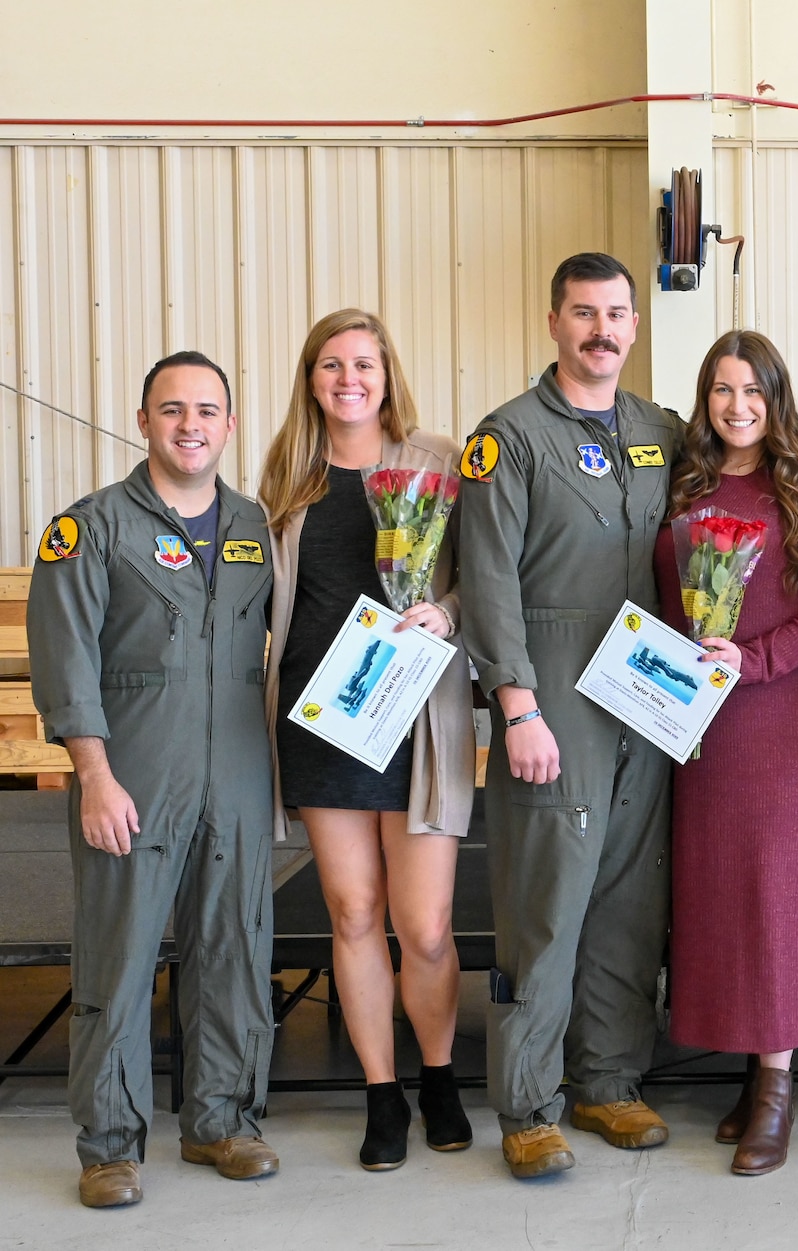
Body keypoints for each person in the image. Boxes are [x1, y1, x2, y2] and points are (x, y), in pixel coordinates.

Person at [30, 352, 279, 1208]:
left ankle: (222, 1120)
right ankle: (109, 1144)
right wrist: (94, 775)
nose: (190, 426)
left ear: (229, 425)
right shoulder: (90, 528)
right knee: (121, 955)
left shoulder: (256, 527)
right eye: (172, 410)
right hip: (132, 769)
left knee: (235, 946)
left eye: (207, 410)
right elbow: (66, 663)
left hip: (240, 770)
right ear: (143, 422)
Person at [456, 253, 683, 1179]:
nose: (602, 329)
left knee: (630, 896)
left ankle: (608, 1079)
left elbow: (742, 480)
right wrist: (517, 705)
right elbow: (488, 577)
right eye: (584, 312)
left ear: (634, 324)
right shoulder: (506, 438)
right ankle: (527, 1101)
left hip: (647, 692)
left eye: (617, 313)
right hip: (552, 692)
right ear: (554, 321)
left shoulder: (660, 429)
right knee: (545, 901)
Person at [257, 309, 476, 1171]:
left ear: (388, 374)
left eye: (364, 363)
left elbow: (479, 576)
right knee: (352, 913)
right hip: (324, 717)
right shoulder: (288, 478)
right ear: (311, 377)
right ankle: (381, 1095)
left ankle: (440, 1074)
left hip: (414, 717)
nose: (348, 378)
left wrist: (445, 612)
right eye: (331, 364)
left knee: (423, 925)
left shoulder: (439, 461)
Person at [658, 330, 798, 1177]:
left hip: (778, 712)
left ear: (775, 397)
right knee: (714, 888)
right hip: (695, 717)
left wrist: (758, 660)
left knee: (774, 889)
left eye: (754, 391)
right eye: (722, 391)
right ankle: (747, 1064)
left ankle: (777, 1085)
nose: (738, 407)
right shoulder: (681, 485)